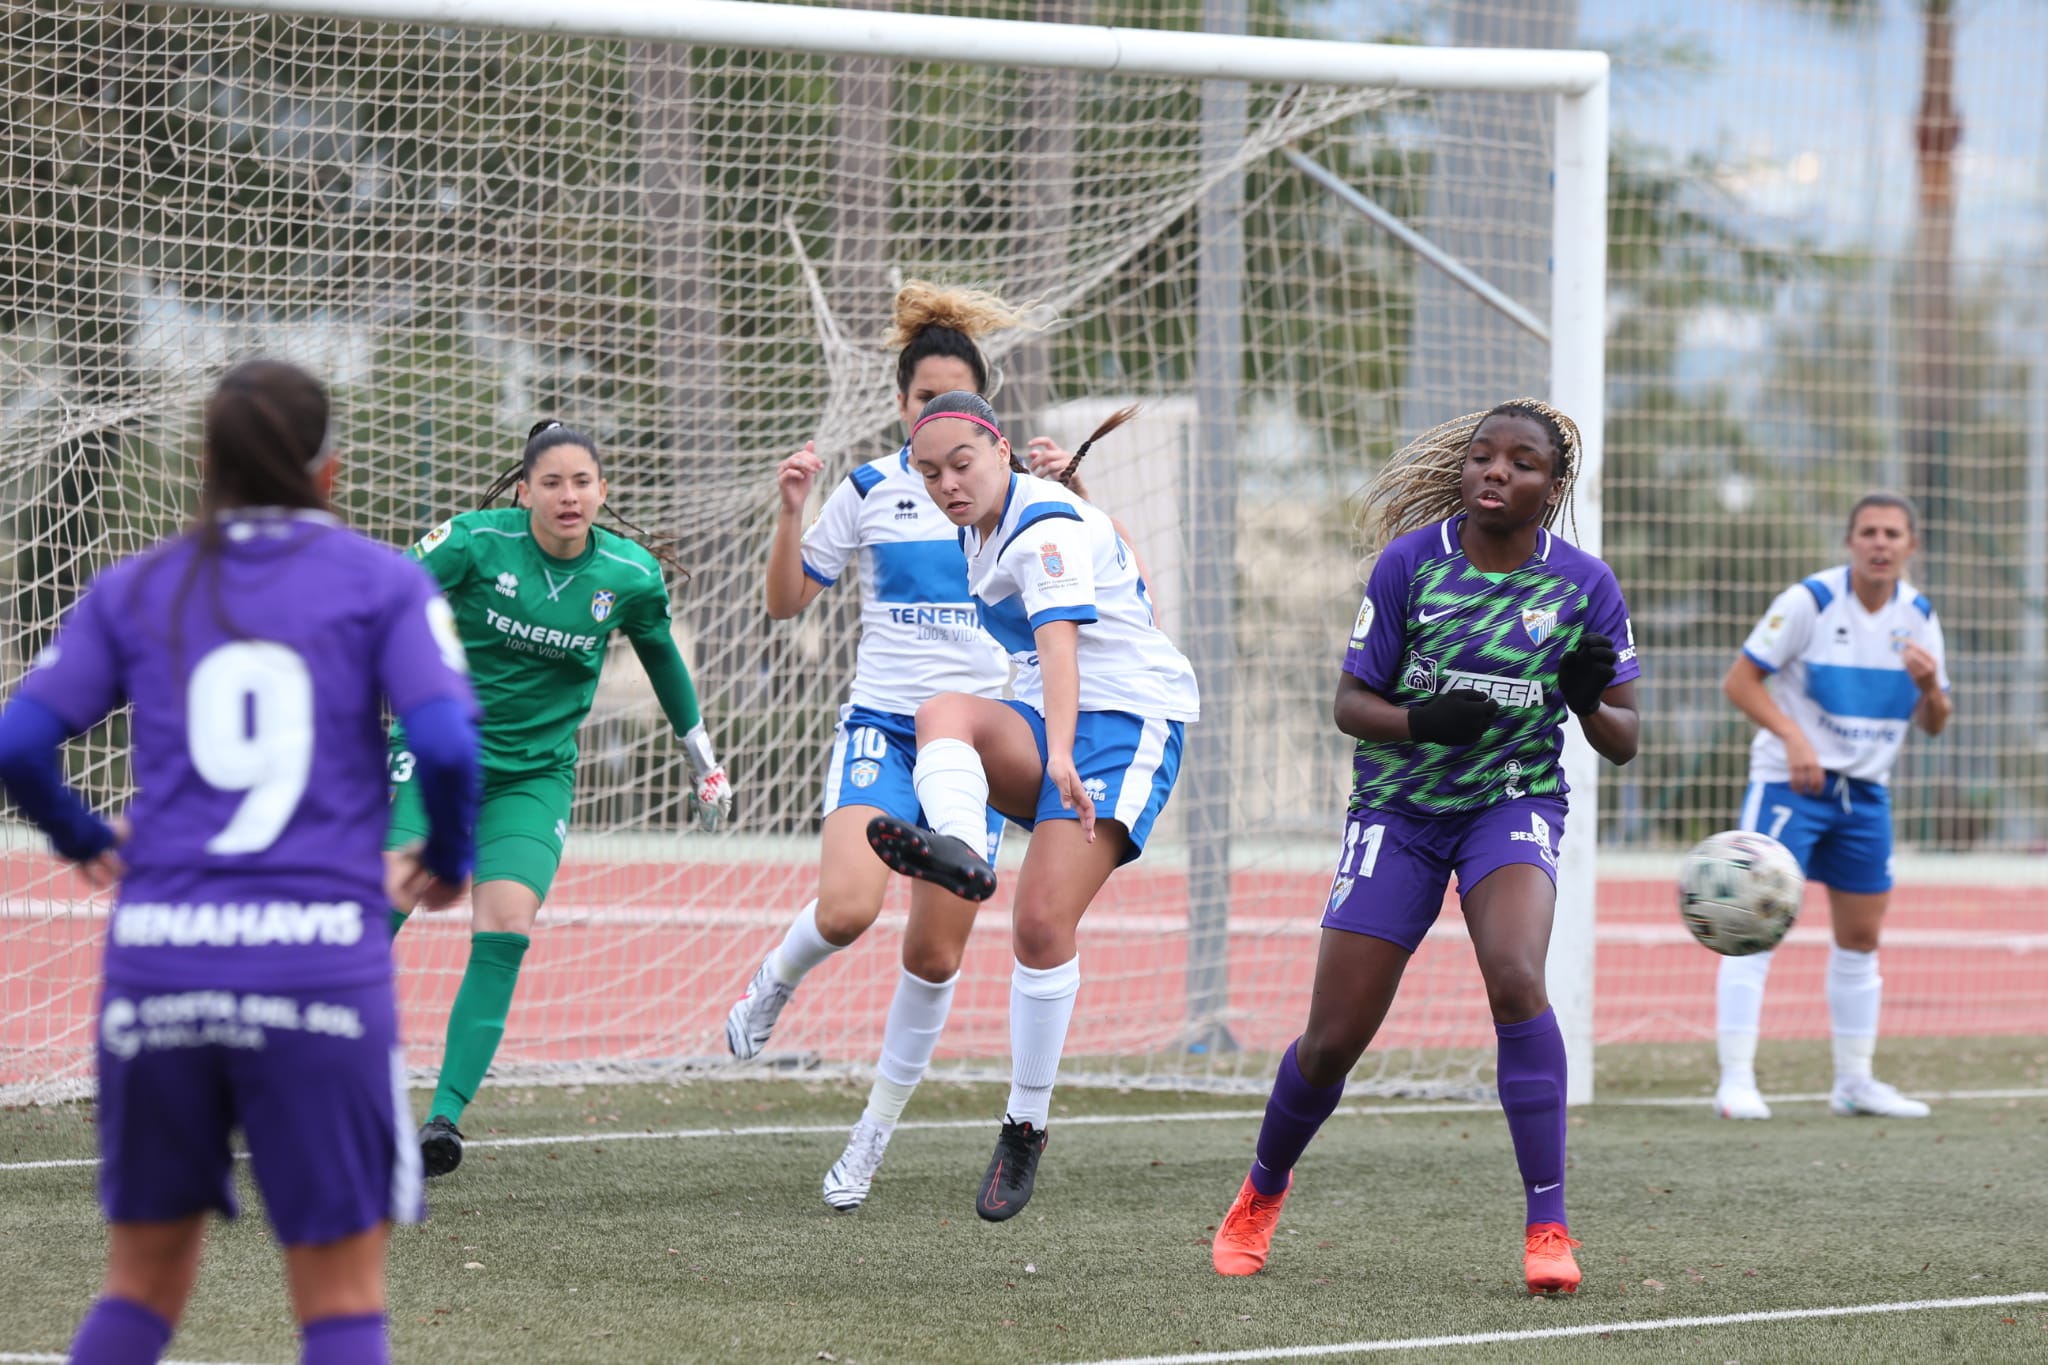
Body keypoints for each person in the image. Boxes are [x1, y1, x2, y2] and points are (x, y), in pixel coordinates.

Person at [0, 359, 481, 1365]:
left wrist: (85, 839)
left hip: (161, 965)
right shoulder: (382, 581)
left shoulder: (138, 585)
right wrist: (442, 857)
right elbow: (444, 745)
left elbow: (18, 743)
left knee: (136, 1292)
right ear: (331, 472)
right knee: (342, 1304)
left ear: (206, 466)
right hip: (317, 966)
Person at [1205, 399, 1639, 1296]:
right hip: (1398, 812)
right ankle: (1261, 1189)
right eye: (1484, 456)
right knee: (1331, 1041)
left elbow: (1624, 737)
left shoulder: (1584, 585)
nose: (1495, 472)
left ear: (1550, 489)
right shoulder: (1410, 565)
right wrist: (1421, 720)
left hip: (1511, 804)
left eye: (1520, 463)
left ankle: (1549, 1225)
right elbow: (1350, 705)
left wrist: (1589, 697)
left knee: (1517, 974)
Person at [720, 282, 1084, 1213]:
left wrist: (1071, 491)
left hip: (974, 746)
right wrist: (791, 509)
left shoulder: (1024, 503)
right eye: (924, 398)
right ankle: (776, 977)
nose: (938, 416)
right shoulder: (875, 489)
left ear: (987, 416)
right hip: (887, 726)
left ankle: (868, 1140)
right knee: (845, 910)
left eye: (958, 399)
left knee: (933, 957)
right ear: (902, 405)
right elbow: (786, 602)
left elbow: (1081, 588)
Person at [864, 390, 1198, 1223]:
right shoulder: (980, 529)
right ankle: (960, 850)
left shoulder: (1042, 526)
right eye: (930, 470)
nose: (947, 482)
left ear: (1002, 451)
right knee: (943, 711)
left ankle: (1026, 1124)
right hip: (1063, 722)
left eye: (962, 463)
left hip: (1124, 726)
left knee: (1041, 926)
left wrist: (1057, 755)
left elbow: (1058, 645)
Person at [387, 419, 731, 1177]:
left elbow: (664, 659)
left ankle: (444, 1117)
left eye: (582, 481)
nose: (568, 495)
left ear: (602, 492)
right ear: (525, 491)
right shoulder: (474, 543)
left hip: (533, 776)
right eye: (552, 482)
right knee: (385, 898)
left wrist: (702, 759)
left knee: (507, 922)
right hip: (439, 753)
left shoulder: (630, 575)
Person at [1712, 492, 1951, 1122]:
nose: (1880, 543)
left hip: (1866, 795)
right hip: (1792, 786)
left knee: (1862, 937)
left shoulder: (1921, 617)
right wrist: (1793, 737)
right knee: (1752, 924)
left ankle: (1854, 1082)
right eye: (1868, 532)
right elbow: (1740, 680)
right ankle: (1735, 1080)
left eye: (1892, 534)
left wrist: (1930, 687)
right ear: (1851, 542)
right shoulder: (1810, 601)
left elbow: (1935, 722)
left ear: (1910, 547)